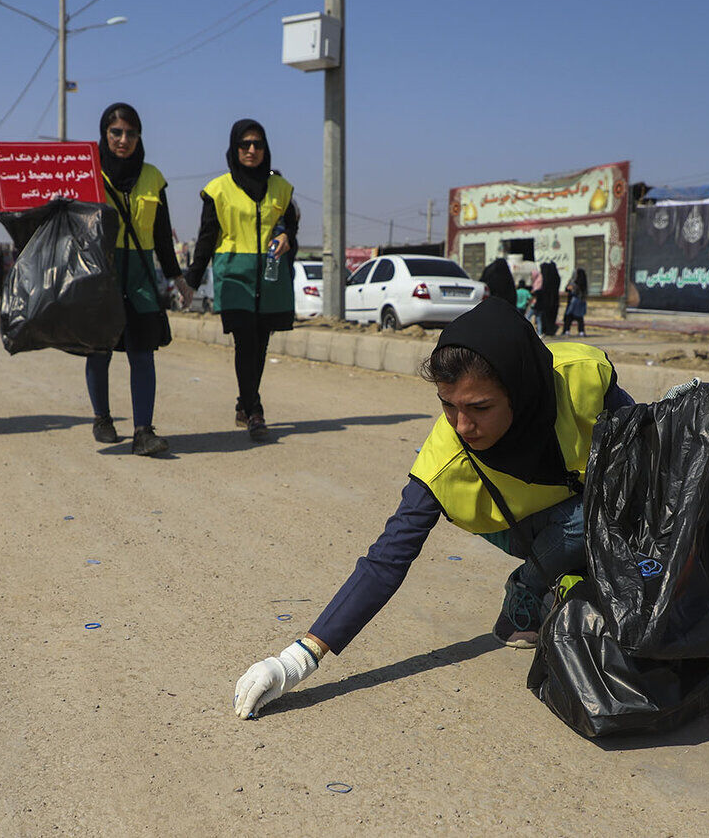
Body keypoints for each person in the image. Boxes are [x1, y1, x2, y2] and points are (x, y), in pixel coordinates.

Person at [232, 297, 635, 719]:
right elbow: (386, 559)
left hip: (595, 500)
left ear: (521, 389)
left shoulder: (582, 378)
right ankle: (529, 584)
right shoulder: (444, 462)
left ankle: (575, 569)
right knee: (582, 520)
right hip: (522, 524)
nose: (462, 426)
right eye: (448, 405)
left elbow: (652, 448)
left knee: (622, 509)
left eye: (479, 408)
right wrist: (296, 660)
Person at [88, 102, 194, 457]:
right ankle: (102, 418)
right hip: (102, 269)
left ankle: (143, 431)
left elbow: (162, 234)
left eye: (131, 133)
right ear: (104, 134)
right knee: (100, 348)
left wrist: (178, 277)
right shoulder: (87, 172)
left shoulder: (153, 177)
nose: (123, 139)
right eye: (116, 132)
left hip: (141, 273)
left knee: (142, 351)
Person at [185, 119, 299, 441]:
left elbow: (291, 224)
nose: (251, 150)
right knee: (245, 340)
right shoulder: (218, 189)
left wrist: (288, 236)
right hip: (234, 274)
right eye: (245, 144)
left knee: (260, 344)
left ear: (266, 149)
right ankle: (255, 410)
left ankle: (242, 402)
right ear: (234, 148)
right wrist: (191, 280)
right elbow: (206, 238)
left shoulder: (280, 187)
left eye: (258, 144)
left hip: (270, 276)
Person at [532, 260, 561, 336]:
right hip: (554, 300)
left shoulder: (545, 278)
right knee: (552, 316)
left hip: (545, 301)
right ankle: (550, 330)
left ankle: (546, 330)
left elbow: (541, 290)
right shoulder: (556, 277)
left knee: (545, 316)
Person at [562, 266, 588, 337]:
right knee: (580, 318)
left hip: (574, 302)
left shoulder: (575, 283)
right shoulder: (584, 282)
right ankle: (581, 331)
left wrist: (571, 289)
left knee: (569, 316)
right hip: (581, 302)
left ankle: (567, 330)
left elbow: (571, 291)